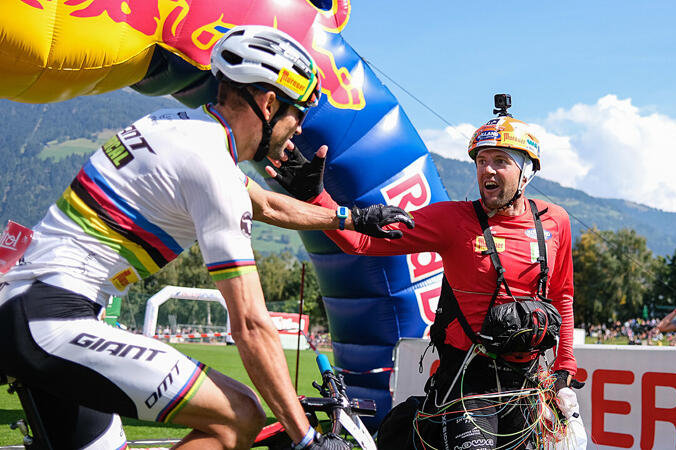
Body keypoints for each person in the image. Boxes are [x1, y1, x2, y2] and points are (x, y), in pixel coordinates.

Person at [0, 26, 411, 450]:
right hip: (53, 319)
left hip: (29, 307)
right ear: (269, 104)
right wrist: (307, 438)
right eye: (298, 115)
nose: (300, 130)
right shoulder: (213, 168)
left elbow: (266, 206)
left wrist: (351, 217)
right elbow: (250, 324)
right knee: (239, 416)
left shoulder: (182, 128)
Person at [270, 101, 583, 449]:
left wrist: (565, 363)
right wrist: (317, 197)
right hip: (465, 385)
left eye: (500, 161)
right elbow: (362, 242)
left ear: (526, 172)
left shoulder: (556, 221)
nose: (487, 171)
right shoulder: (452, 220)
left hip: (528, 384)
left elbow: (562, 295)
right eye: (481, 161)